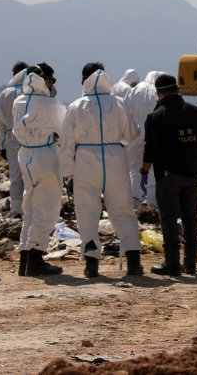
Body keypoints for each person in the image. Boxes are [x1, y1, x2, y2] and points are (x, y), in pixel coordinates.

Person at [63, 64, 142, 278]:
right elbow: (132, 134)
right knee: (123, 210)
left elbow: (67, 143)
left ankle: (91, 263)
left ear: (83, 80)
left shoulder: (75, 106)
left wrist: (67, 172)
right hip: (115, 157)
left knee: (87, 212)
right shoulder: (119, 103)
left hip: (86, 161)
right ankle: (134, 262)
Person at [142, 73, 197, 275]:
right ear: (178, 89)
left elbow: (150, 148)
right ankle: (191, 264)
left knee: (169, 219)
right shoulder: (195, 112)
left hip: (167, 175)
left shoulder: (156, 116)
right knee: (190, 219)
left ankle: (172, 264)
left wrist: (144, 172)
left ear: (158, 93)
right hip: (191, 173)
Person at [12, 66, 68, 276]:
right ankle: (36, 257)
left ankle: (25, 257)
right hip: (45, 156)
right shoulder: (49, 103)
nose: (53, 84)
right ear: (41, 79)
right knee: (47, 207)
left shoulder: (19, 101)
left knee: (30, 207)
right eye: (51, 79)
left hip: (25, 155)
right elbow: (65, 131)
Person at [0, 62, 32, 219]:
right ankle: (31, 208)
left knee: (15, 174)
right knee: (30, 173)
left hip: (11, 138)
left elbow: (0, 123)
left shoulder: (4, 94)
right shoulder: (29, 92)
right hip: (30, 137)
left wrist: (2, 145)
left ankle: (16, 209)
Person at [125, 71, 161, 207]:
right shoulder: (157, 91)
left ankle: (134, 199)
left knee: (133, 168)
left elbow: (126, 111)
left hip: (135, 134)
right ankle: (152, 201)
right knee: (153, 168)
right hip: (153, 135)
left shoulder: (134, 90)